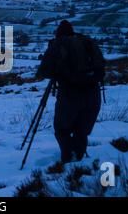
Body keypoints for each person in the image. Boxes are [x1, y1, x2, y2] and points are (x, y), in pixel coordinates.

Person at [36, 20, 105, 163]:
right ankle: (78, 158)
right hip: (93, 92)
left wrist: (59, 70)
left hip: (70, 94)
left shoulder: (58, 44)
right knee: (82, 130)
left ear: (58, 33)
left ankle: (68, 159)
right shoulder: (87, 42)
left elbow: (44, 71)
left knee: (62, 128)